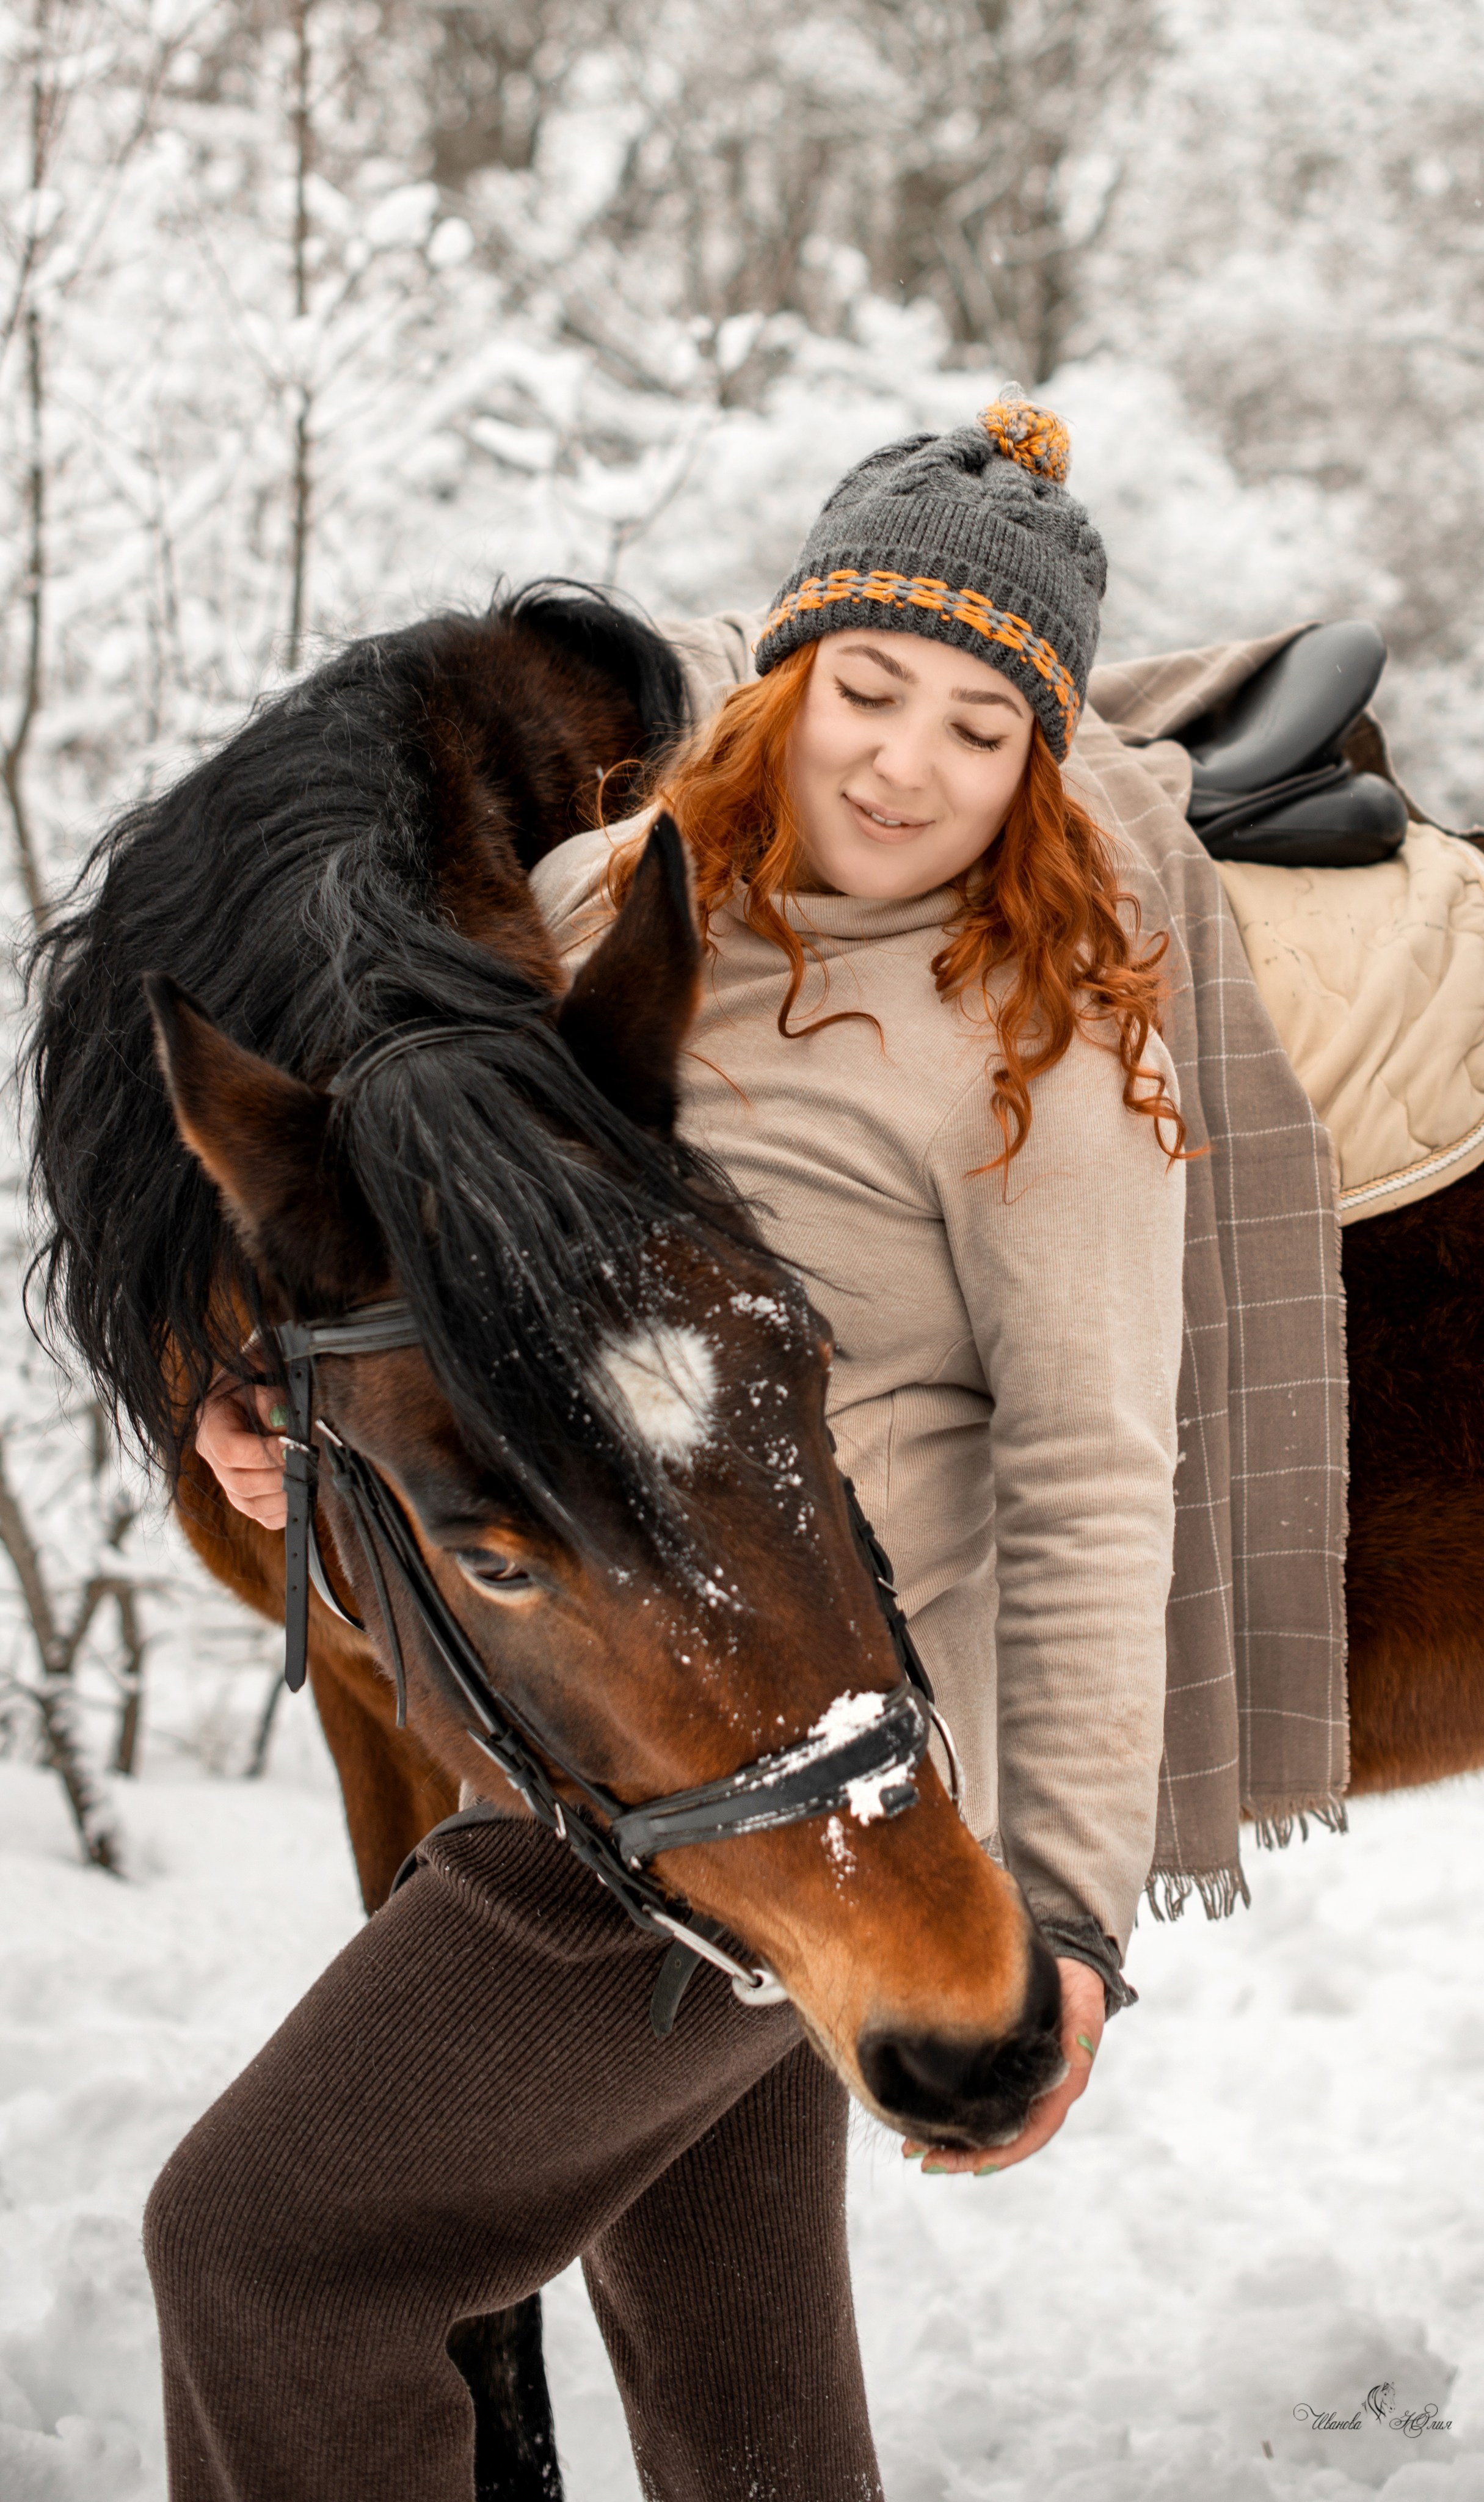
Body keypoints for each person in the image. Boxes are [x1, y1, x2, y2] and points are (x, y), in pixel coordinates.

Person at [175, 395, 1185, 2498]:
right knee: (738, 2384)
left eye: (981, 729)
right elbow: (434, 1284)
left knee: (266, 2252)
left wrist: (1072, 1918)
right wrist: (285, 1420)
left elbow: (1096, 1489)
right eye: (869, 688)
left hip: (806, 1768)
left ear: (1039, 768)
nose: (902, 764)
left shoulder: (1047, 1049)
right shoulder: (596, 912)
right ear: (785, 678)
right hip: (607, 1719)